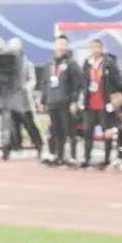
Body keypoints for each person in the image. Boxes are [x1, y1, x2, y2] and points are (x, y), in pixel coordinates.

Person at [0, 38, 42, 160]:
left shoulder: (26, 63)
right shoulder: (1, 60)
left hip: (19, 96)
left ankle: (38, 144)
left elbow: (31, 80)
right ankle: (3, 144)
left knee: (27, 121)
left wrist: (25, 88)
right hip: (2, 95)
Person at [79, 39, 122, 168]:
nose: (95, 50)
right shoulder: (87, 63)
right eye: (92, 47)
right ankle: (87, 158)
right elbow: (83, 82)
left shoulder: (109, 63)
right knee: (88, 132)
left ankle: (106, 159)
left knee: (107, 132)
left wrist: (116, 96)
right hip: (90, 103)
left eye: (97, 47)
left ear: (102, 48)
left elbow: (118, 81)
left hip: (105, 103)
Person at [40, 35, 81, 166]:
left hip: (66, 102)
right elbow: (45, 82)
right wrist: (43, 101)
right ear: (55, 45)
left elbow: (77, 84)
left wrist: (74, 101)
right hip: (52, 101)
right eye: (59, 44)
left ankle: (73, 157)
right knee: (56, 131)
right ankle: (59, 156)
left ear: (67, 46)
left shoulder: (71, 63)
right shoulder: (49, 63)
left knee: (69, 130)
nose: (61, 47)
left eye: (63, 44)